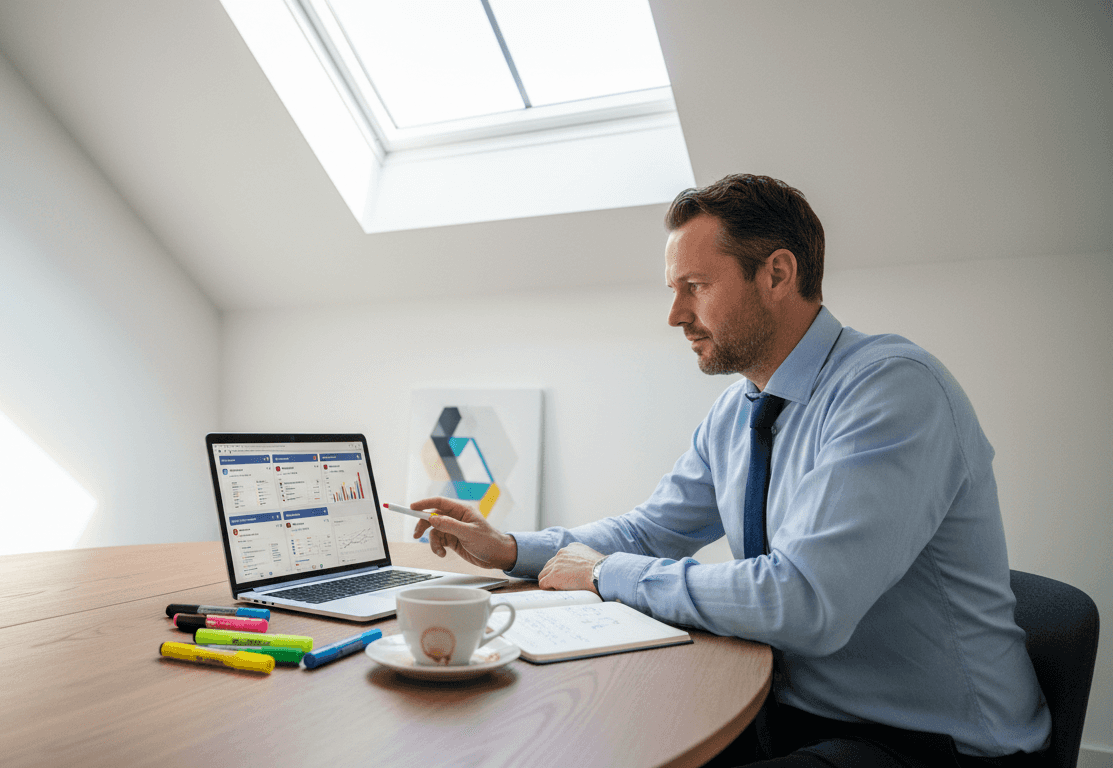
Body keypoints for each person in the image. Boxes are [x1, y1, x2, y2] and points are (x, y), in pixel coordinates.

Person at [409, 174, 1050, 768]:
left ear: (776, 273)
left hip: (932, 743)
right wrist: (515, 548)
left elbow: (804, 603)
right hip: (794, 710)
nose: (675, 316)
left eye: (697, 287)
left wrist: (603, 575)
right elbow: (651, 530)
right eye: (674, 291)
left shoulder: (891, 391)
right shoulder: (736, 410)